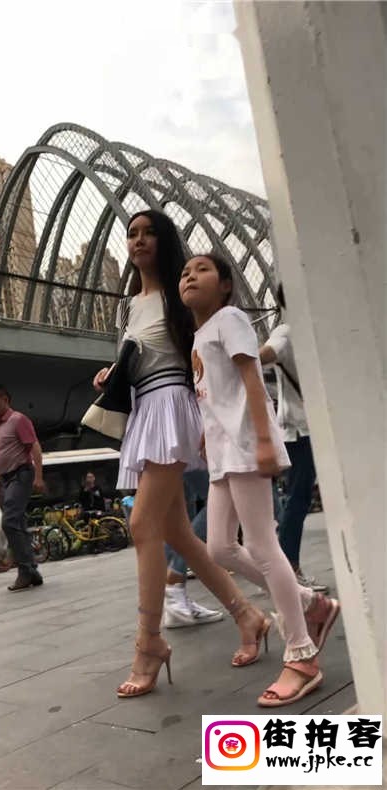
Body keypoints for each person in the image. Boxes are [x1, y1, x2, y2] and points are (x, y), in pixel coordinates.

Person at [93, 210, 272, 700]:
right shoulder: (129, 305)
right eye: (132, 234)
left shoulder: (180, 294)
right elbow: (141, 356)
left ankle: (149, 642)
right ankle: (248, 615)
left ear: (164, 241)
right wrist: (112, 374)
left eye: (149, 233)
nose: (139, 240)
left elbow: (205, 353)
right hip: (145, 409)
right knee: (176, 532)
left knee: (142, 524)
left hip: (174, 406)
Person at [179, 253, 340, 706]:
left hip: (246, 444)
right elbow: (215, 396)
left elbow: (251, 378)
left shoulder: (230, 319)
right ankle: (309, 602)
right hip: (223, 452)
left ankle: (302, 655)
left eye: (202, 270)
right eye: (185, 272)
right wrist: (206, 436)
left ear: (226, 286)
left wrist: (265, 441)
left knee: (263, 546)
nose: (190, 276)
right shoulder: (199, 335)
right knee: (218, 548)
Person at [259, 284, 327, 592]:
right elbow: (264, 354)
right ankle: (288, 567)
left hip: (309, 427)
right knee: (298, 498)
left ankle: (284, 566)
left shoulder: (309, 330)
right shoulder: (287, 331)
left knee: (298, 497)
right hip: (300, 429)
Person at [0, 384, 45, 591]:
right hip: (6, 479)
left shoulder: (18, 420)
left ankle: (25, 570)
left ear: (5, 400)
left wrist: (39, 476)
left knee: (9, 521)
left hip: (21, 474)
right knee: (18, 524)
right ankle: (32, 571)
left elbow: (34, 446)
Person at [164, 469, 223, 627]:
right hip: (184, 454)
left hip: (169, 455)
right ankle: (174, 584)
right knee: (222, 495)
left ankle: (174, 598)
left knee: (179, 507)